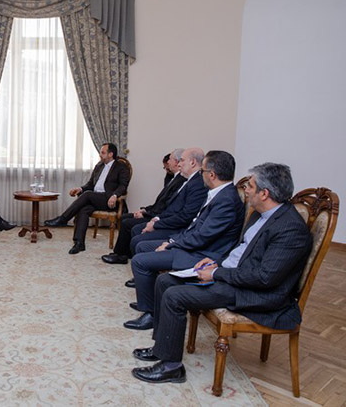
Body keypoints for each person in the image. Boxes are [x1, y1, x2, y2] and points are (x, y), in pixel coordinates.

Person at [131, 163, 312, 384]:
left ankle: (172, 368)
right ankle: (162, 348)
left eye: (250, 186)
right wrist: (216, 261)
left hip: (254, 292)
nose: (245, 190)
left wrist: (216, 273)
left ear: (264, 194)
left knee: (174, 296)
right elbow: (241, 249)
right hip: (233, 274)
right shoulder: (260, 215)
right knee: (165, 280)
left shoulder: (290, 228)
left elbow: (265, 278)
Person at [124, 150, 245, 330]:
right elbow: (195, 228)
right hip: (193, 246)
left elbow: (203, 236)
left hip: (203, 255)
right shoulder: (220, 194)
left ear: (212, 175)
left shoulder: (226, 200)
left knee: (140, 261)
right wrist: (173, 241)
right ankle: (151, 303)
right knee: (143, 247)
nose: (201, 175)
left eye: (203, 171)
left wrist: (172, 244)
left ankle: (151, 314)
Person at [44, 143, 131, 254]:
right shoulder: (99, 166)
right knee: (83, 209)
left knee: (88, 194)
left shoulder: (121, 166)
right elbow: (90, 184)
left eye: (103, 152)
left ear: (110, 154)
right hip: (95, 198)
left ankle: (63, 219)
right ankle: (79, 243)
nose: (100, 155)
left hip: (109, 200)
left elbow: (123, 185)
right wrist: (80, 189)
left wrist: (114, 196)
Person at [102, 149, 186, 265]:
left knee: (127, 223)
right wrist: (145, 210)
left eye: (170, 159)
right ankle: (123, 252)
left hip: (160, 216)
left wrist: (146, 213)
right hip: (155, 212)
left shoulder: (180, 181)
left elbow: (165, 206)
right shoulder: (173, 178)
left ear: (176, 162)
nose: (168, 162)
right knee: (125, 217)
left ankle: (121, 255)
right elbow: (160, 203)